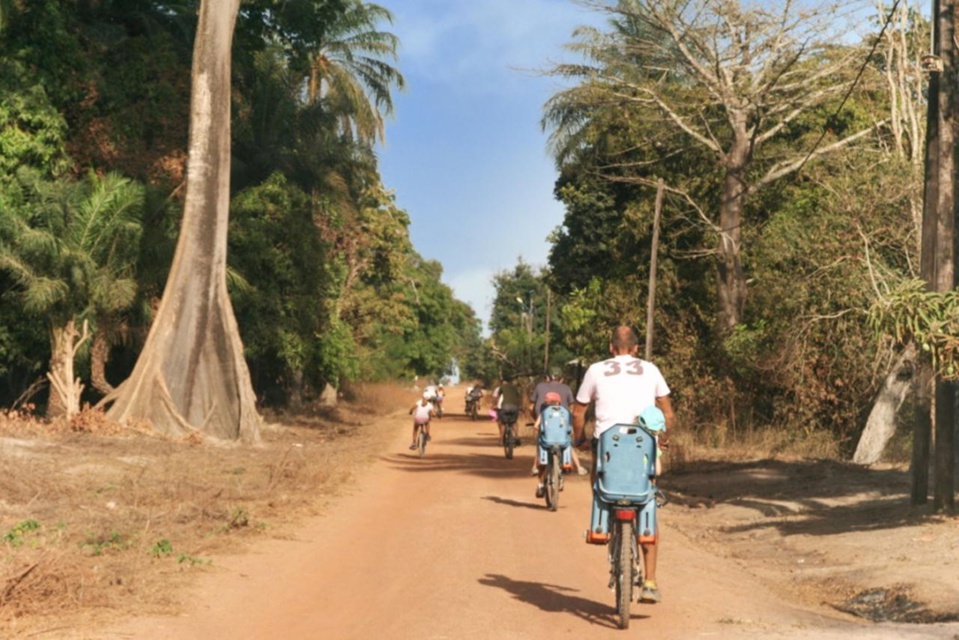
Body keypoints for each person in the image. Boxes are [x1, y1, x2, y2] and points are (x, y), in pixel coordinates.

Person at [572, 325, 675, 605]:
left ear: (611, 347)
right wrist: (663, 440)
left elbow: (579, 412)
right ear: (636, 348)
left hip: (608, 446)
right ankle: (650, 582)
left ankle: (603, 522)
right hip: (643, 445)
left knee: (600, 481)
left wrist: (579, 439)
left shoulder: (595, 370)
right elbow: (667, 414)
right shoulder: (650, 370)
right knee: (647, 500)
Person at [529, 369, 587, 476]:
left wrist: (535, 420)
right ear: (562, 379)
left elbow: (531, 407)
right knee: (567, 443)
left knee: (541, 443)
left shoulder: (540, 388)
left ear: (547, 378)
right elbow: (572, 409)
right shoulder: (566, 388)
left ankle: (535, 467)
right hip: (563, 426)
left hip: (545, 426)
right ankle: (579, 466)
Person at [531, 391, 571, 497]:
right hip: (562, 443)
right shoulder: (565, 412)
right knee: (564, 451)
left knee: (541, 462)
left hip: (547, 442)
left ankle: (540, 485)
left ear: (547, 402)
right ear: (558, 402)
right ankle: (561, 475)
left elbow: (536, 426)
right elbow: (569, 429)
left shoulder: (544, 413)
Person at [492, 376, 521, 445]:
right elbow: (518, 396)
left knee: (503, 423)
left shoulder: (502, 387)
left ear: (503, 381)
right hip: (515, 406)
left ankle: (501, 440)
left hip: (505, 406)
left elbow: (498, 396)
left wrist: (495, 405)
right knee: (514, 422)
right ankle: (517, 437)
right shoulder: (514, 387)